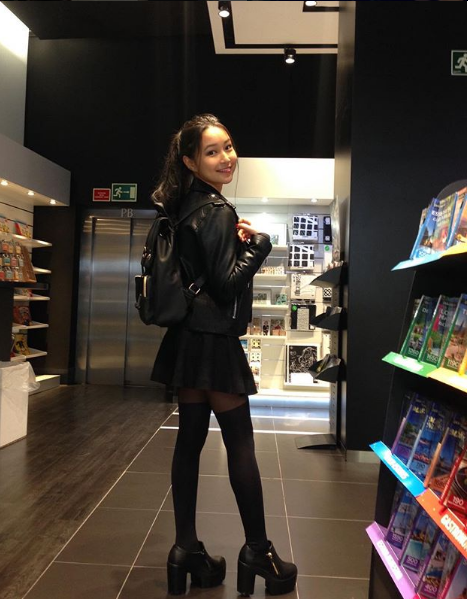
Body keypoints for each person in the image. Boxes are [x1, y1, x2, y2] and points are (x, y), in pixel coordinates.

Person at [151, 114, 298, 596]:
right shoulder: (214, 210)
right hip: (213, 339)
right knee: (240, 444)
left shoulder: (184, 205)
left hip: (188, 338)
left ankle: (186, 549)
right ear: (191, 161)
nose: (226, 157)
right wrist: (261, 244)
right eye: (212, 151)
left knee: (189, 442)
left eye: (229, 146)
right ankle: (258, 551)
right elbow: (226, 284)